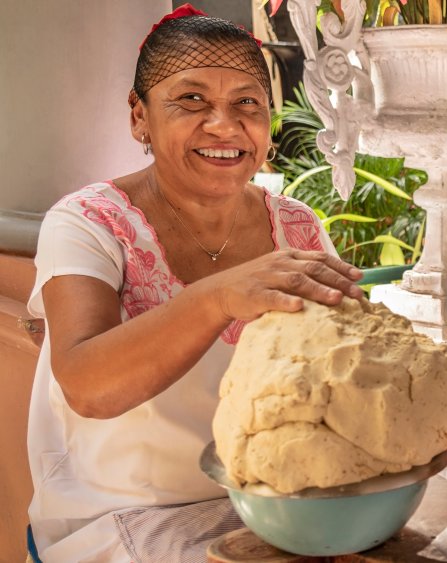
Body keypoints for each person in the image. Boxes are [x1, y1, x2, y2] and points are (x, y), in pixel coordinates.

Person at [25, 6, 364, 561]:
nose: (225, 126)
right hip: (113, 517)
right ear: (139, 117)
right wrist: (221, 295)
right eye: (191, 100)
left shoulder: (298, 226)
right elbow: (87, 387)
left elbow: (338, 368)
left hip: (271, 503)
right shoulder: (89, 222)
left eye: (247, 104)